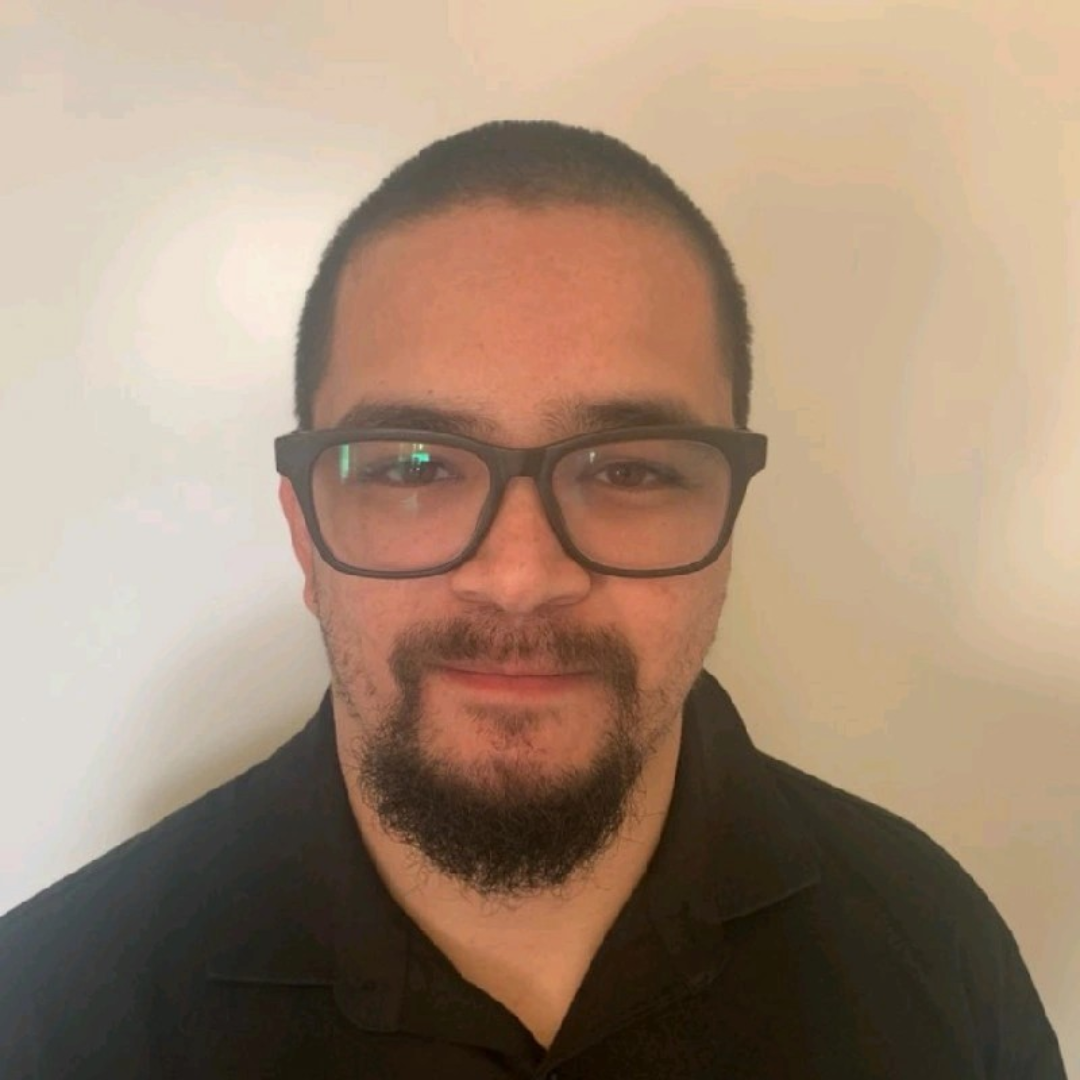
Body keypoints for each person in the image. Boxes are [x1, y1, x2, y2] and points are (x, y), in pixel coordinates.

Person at [0, 121, 1065, 1079]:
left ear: (730, 520)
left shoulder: (932, 949)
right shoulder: (47, 1017)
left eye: (631, 468)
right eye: (414, 466)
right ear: (304, 535)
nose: (520, 577)